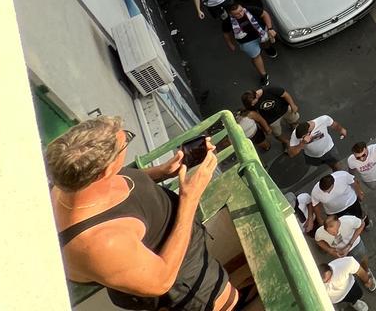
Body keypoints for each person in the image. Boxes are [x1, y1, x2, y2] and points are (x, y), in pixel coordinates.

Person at [47, 116, 237, 311]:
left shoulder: (71, 181)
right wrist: (190, 199)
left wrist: (162, 171)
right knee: (230, 301)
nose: (127, 144)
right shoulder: (100, 243)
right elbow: (161, 281)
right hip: (185, 278)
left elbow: (120, 185)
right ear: (104, 171)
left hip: (185, 245)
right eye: (125, 142)